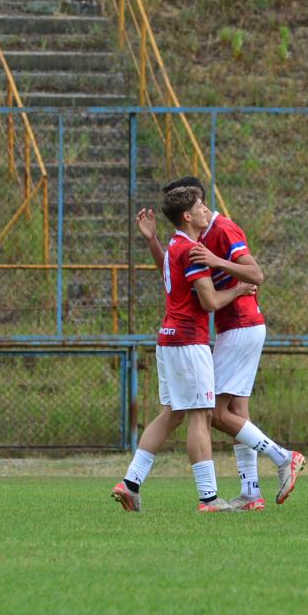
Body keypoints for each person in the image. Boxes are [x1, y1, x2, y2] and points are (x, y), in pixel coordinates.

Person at [135, 177, 305, 511]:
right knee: (236, 412)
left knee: (212, 413)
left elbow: (255, 275)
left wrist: (217, 262)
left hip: (242, 324)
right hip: (231, 327)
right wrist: (153, 240)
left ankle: (284, 457)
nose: (200, 208)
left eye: (196, 202)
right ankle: (251, 492)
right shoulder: (192, 237)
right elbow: (172, 272)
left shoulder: (222, 229)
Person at [110, 185, 256, 513]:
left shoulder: (175, 245)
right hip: (189, 341)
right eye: (201, 206)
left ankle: (130, 483)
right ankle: (209, 498)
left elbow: (170, 275)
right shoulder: (191, 250)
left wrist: (151, 239)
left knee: (172, 413)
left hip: (168, 338)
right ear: (188, 216)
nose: (207, 211)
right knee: (201, 414)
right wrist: (238, 290)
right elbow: (210, 301)